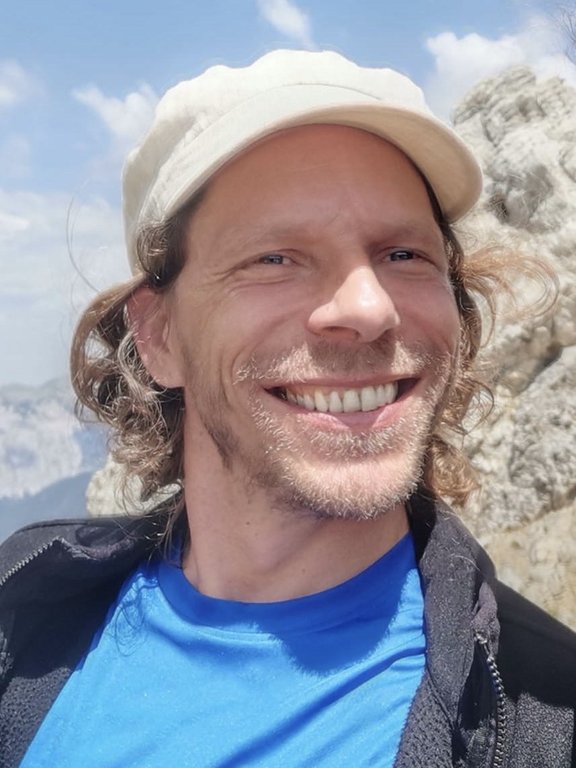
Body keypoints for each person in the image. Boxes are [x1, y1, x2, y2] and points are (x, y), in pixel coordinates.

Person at [1, 49, 574, 768]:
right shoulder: (24, 613)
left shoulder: (544, 718)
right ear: (158, 336)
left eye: (404, 254)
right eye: (273, 257)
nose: (368, 309)